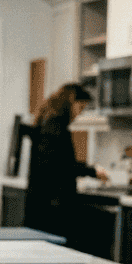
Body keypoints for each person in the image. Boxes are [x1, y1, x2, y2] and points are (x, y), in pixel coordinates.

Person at [23, 82, 109, 244]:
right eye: (81, 107)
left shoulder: (46, 122)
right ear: (71, 102)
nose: (80, 113)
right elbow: (62, 166)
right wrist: (92, 171)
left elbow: (58, 162)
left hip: (40, 203)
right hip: (53, 206)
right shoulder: (56, 127)